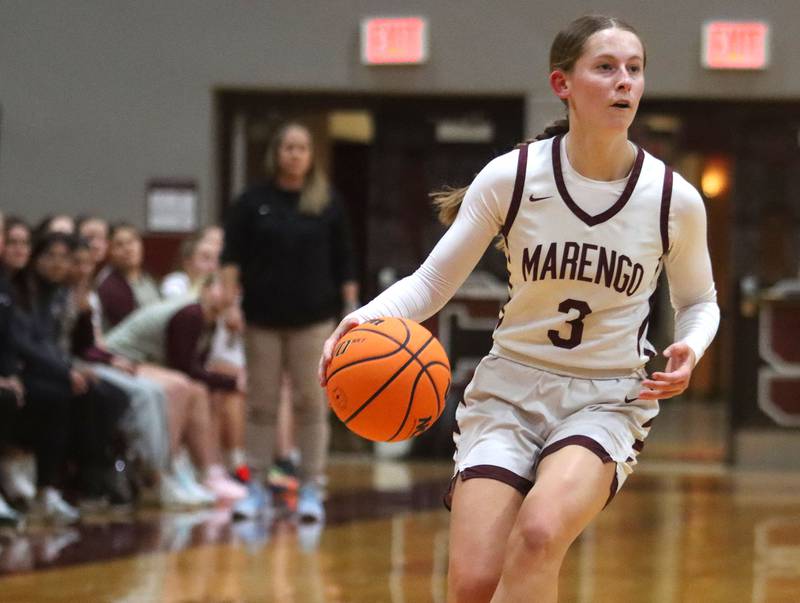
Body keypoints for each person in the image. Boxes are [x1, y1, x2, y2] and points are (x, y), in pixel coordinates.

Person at [319, 15, 720, 603]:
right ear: (563, 83)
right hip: (509, 393)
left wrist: (692, 346)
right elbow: (432, 281)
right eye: (606, 67)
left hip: (606, 398)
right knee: (474, 585)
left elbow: (700, 301)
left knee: (538, 534)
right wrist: (363, 319)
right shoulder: (513, 178)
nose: (624, 82)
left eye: (634, 69)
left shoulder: (672, 199)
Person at [221, 121, 359, 522]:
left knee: (311, 405)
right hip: (261, 319)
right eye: (288, 147)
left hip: (314, 320)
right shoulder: (252, 201)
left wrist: (352, 309)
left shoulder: (327, 202)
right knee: (261, 405)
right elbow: (231, 257)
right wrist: (230, 304)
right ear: (276, 153)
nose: (295, 154)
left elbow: (345, 261)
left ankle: (311, 486)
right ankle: (256, 486)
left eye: (302, 148)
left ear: (311, 155)